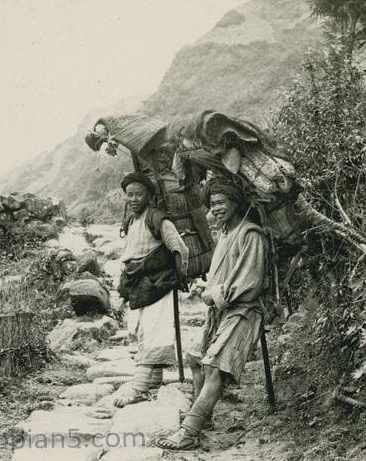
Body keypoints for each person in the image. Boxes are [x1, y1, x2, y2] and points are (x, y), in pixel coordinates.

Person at [156, 179, 267, 450]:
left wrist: (213, 293)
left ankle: (190, 430)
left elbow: (249, 282)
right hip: (221, 310)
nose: (216, 208)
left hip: (244, 310)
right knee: (195, 357)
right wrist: (208, 289)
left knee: (215, 365)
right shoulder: (226, 233)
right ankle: (203, 418)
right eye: (213, 203)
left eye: (221, 202)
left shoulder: (250, 234)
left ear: (235, 202)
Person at [112, 171, 189, 407]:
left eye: (139, 194)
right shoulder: (131, 221)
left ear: (149, 195)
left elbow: (180, 248)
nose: (134, 199)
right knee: (145, 332)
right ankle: (154, 384)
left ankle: (138, 388)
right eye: (129, 194)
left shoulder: (157, 219)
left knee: (155, 332)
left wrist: (179, 275)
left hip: (158, 282)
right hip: (140, 284)